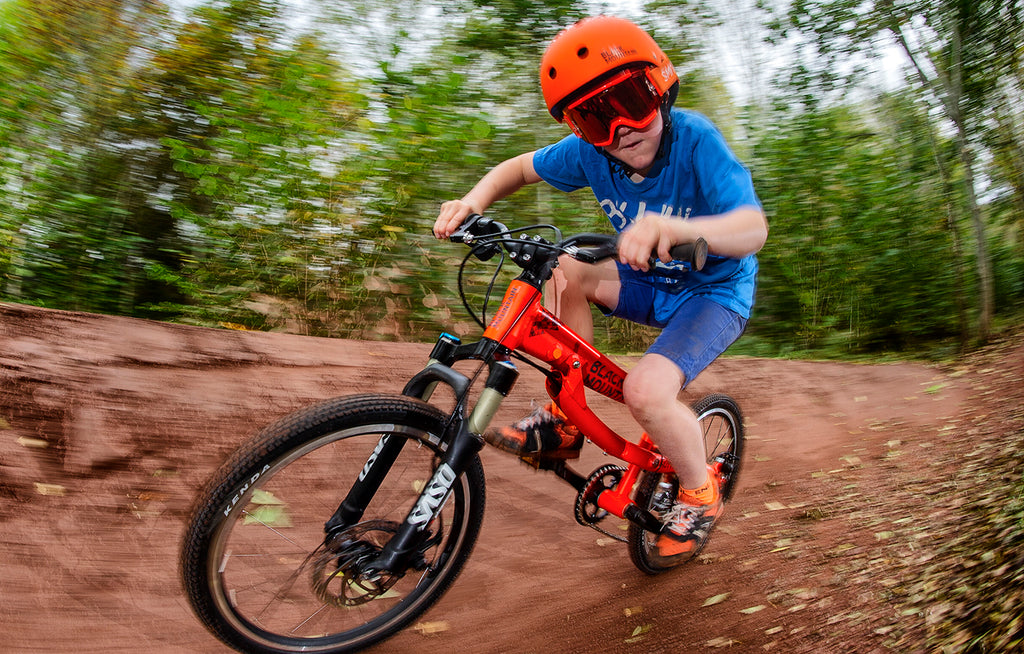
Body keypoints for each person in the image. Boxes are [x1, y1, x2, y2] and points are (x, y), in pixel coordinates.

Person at [433, 16, 767, 562]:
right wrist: (474, 201)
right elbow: (518, 168)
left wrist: (677, 229)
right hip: (648, 282)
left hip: (714, 293)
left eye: (631, 103)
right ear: (580, 129)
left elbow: (753, 229)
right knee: (559, 267)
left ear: (660, 89)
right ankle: (566, 420)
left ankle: (700, 492)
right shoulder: (591, 153)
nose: (619, 130)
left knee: (645, 393)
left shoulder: (695, 139)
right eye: (593, 118)